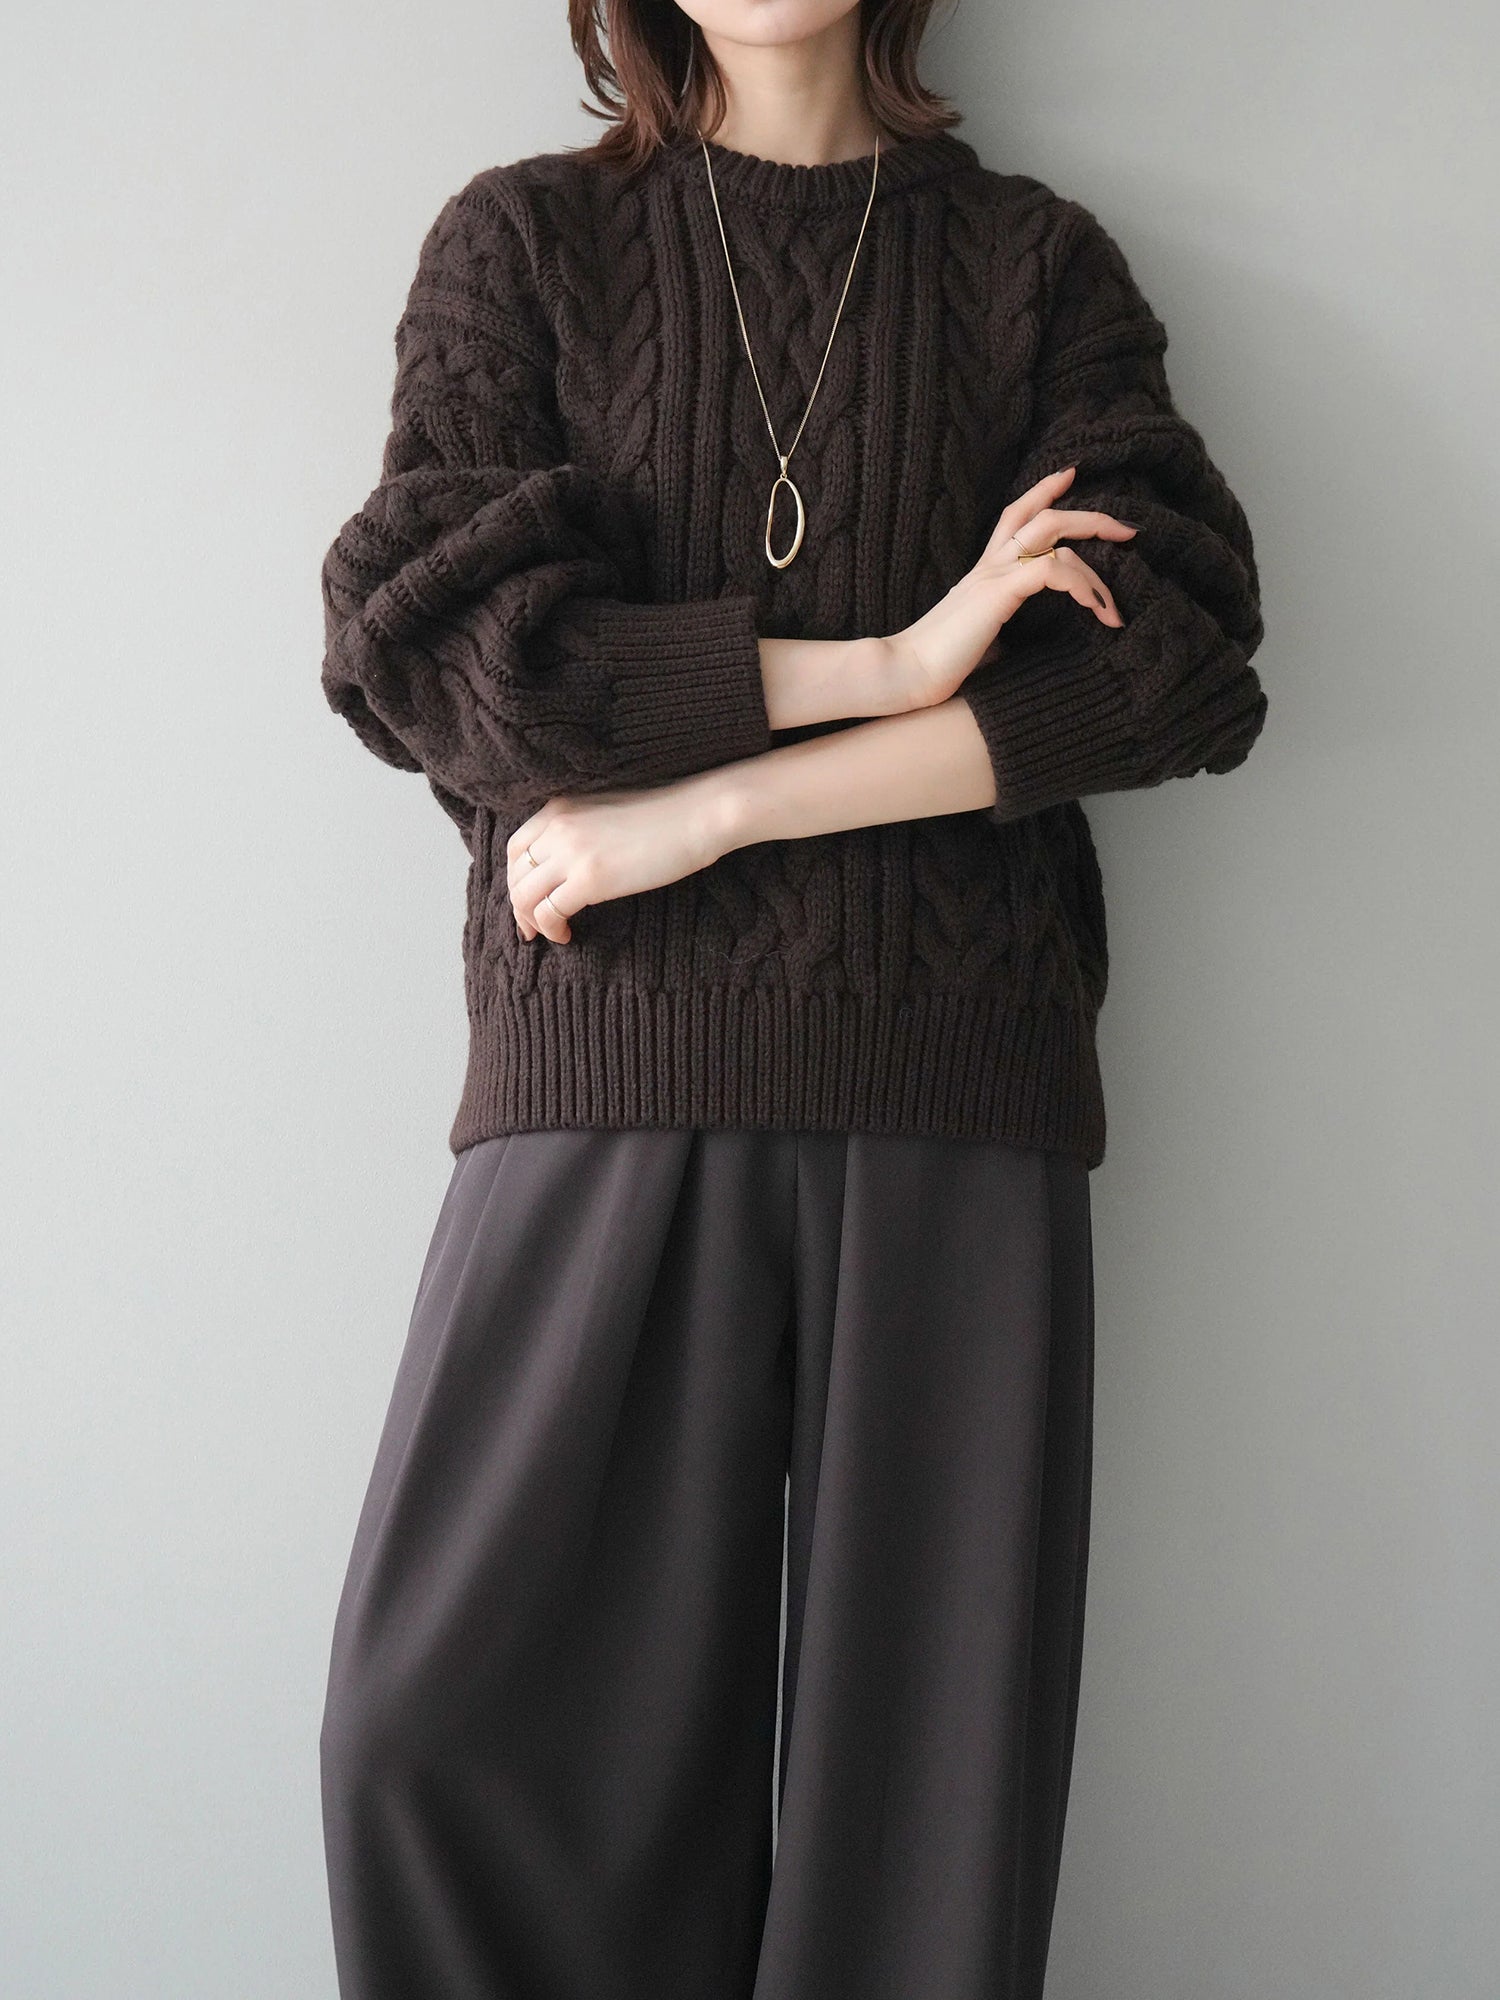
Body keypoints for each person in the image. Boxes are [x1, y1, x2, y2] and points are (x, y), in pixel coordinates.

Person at [314, 1, 1268, 1994]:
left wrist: (710, 811)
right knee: (428, 1738)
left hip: (952, 1086)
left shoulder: (1034, 267)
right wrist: (894, 664)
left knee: (917, 1835)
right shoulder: (526, 243)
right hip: (602, 1073)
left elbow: (1166, 660)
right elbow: (446, 652)